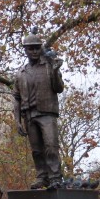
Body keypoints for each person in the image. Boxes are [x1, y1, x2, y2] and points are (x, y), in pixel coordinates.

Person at [13, 30, 64, 189]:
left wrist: (56, 71)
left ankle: (55, 177)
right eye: (30, 48)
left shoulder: (49, 66)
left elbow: (59, 88)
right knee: (36, 150)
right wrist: (17, 120)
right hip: (29, 115)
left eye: (36, 48)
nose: (34, 51)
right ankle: (42, 177)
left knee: (50, 146)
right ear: (25, 50)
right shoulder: (20, 73)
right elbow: (16, 97)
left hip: (46, 113)